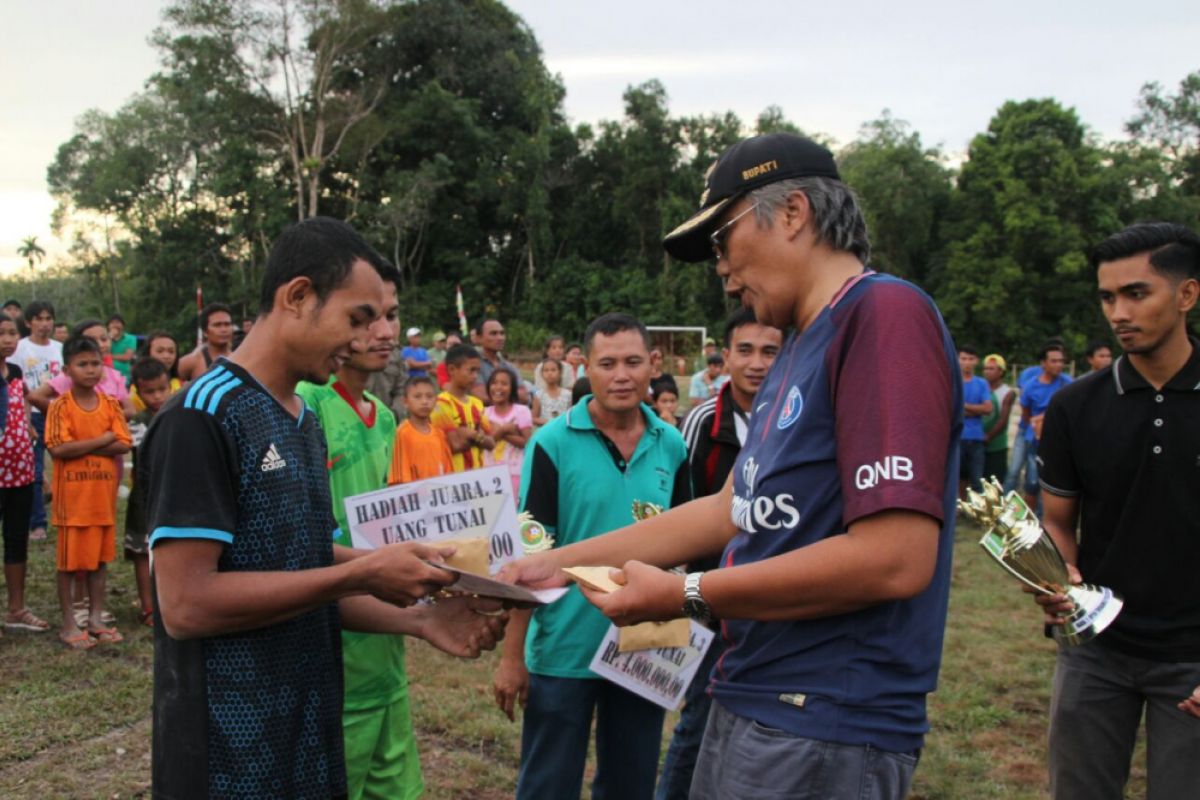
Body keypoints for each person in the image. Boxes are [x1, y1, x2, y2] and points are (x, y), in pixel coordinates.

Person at [502, 133, 962, 800]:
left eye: (723, 238)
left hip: (824, 712)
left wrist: (685, 593)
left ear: (795, 213)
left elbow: (896, 557)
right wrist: (558, 564)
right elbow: (727, 509)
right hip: (754, 692)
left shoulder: (883, 314)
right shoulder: (800, 345)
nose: (718, 266)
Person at [142, 217, 504, 799]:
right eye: (355, 318)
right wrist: (363, 570)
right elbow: (185, 604)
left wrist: (417, 617)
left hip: (310, 731)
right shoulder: (200, 416)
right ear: (298, 296)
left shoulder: (303, 421)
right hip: (226, 753)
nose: (364, 340)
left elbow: (304, 566)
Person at [298, 282, 493, 800]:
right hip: (333, 635)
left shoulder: (384, 417)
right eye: (364, 318)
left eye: (390, 316)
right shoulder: (305, 405)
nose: (383, 332)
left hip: (387, 640)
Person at [1032, 222, 1200, 799]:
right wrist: (1063, 576)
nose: (1118, 313)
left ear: (1186, 295)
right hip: (1096, 653)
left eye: (1136, 293)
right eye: (1108, 297)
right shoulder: (1075, 406)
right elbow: (1057, 519)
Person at [492, 312, 692, 800]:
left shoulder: (672, 444)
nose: (620, 375)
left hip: (644, 646)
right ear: (587, 366)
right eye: (607, 363)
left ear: (653, 365)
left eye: (632, 362)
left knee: (631, 782)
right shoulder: (551, 443)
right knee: (547, 785)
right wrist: (513, 656)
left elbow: (689, 545)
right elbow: (531, 556)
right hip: (564, 650)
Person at [657, 306, 782, 800]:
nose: (757, 363)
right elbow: (685, 512)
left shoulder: (799, 418)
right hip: (709, 601)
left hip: (777, 597)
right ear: (724, 356)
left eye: (770, 351)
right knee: (700, 718)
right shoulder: (703, 421)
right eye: (745, 351)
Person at [46, 336, 132, 650]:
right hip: (72, 503)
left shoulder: (110, 404)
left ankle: (96, 618)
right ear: (67, 369)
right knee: (69, 565)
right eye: (83, 364)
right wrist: (102, 440)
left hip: (102, 501)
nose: (90, 370)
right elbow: (58, 448)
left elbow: (123, 442)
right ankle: (69, 622)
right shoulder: (60, 406)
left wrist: (87, 444)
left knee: (99, 562)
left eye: (95, 363)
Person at [0, 312, 46, 634]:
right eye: (1, 333)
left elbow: (24, 413)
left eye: (12, 333)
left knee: (17, 538)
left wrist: (28, 429)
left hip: (19, 471)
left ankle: (16, 609)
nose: (8, 339)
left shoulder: (16, 372)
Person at [7, 300, 62, 541]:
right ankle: (37, 523)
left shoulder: (60, 348)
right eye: (39, 319)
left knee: (65, 466)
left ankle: (66, 518)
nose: (44, 323)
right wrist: (25, 421)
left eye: (48, 318)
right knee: (36, 471)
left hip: (60, 414)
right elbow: (19, 388)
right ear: (28, 322)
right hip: (33, 416)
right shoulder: (19, 348)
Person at [124, 357, 172, 627]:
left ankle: (171, 601)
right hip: (145, 495)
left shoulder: (182, 414)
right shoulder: (138, 423)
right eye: (150, 391)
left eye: (162, 389)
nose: (157, 396)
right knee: (143, 552)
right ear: (138, 392)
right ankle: (148, 606)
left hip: (176, 495)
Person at [30, 319, 136, 420]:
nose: (101, 344)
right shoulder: (71, 376)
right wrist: (62, 415)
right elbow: (35, 396)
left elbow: (130, 410)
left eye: (104, 339)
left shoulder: (114, 376)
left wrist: (104, 420)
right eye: (92, 340)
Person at [1008, 343, 1072, 507]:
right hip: (1036, 440)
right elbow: (1026, 413)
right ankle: (1029, 521)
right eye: (1054, 361)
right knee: (1033, 481)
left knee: (1055, 483)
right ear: (1043, 363)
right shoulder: (1030, 386)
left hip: (1060, 441)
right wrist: (1038, 423)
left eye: (1061, 361)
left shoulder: (1068, 383)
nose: (1059, 365)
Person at [432, 344, 494, 472]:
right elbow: (454, 445)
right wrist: (479, 437)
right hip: (452, 477)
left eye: (477, 371)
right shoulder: (441, 403)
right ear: (452, 369)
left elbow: (491, 443)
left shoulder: (477, 403)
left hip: (478, 475)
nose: (475, 376)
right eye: (471, 370)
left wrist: (472, 435)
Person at [389, 376, 453, 483]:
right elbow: (400, 478)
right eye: (417, 397)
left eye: (429, 397)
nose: (424, 402)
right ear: (405, 402)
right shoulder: (402, 434)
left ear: (436, 400)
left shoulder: (439, 433)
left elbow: (448, 471)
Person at [482, 368, 532, 497]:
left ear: (512, 388)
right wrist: (504, 429)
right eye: (494, 382)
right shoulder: (484, 413)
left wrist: (499, 431)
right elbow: (485, 443)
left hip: (515, 473)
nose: (498, 387)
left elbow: (527, 443)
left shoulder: (522, 411)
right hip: (489, 472)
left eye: (504, 384)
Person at [958, 345, 993, 496]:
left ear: (976, 361)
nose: (967, 362)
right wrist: (975, 409)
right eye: (964, 358)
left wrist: (964, 406)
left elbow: (987, 408)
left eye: (970, 359)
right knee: (958, 476)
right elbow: (949, 409)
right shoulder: (953, 381)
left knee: (977, 478)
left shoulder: (981, 383)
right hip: (957, 436)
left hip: (976, 437)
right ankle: (959, 507)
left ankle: (978, 510)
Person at [177, 302, 235, 383]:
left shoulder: (241, 358)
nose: (223, 330)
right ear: (205, 331)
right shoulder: (193, 361)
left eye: (227, 324)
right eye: (217, 325)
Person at [981, 354, 1016, 484]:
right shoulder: (979, 386)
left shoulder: (1007, 392)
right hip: (977, 443)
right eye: (986, 368)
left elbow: (1003, 420)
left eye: (992, 369)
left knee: (994, 483)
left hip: (996, 444)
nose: (987, 371)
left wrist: (988, 437)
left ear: (1001, 371)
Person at [131, 331, 181, 412]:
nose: (166, 356)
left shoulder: (183, 386)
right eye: (160, 351)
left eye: (171, 351)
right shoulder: (134, 393)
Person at [473, 319, 519, 400]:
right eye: (493, 333)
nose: (500, 338)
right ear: (479, 338)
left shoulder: (509, 366)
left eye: (502, 333)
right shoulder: (473, 365)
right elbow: (482, 396)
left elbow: (524, 396)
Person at [531, 358, 571, 426]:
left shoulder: (568, 395)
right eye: (546, 370)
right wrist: (548, 422)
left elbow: (571, 416)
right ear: (542, 374)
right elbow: (533, 418)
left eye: (553, 370)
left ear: (560, 372)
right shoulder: (539, 395)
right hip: (546, 432)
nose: (550, 373)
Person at [107, 314, 138, 384]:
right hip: (107, 376)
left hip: (124, 376)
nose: (114, 325)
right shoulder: (105, 339)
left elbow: (127, 357)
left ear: (122, 325)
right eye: (112, 323)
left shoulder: (131, 338)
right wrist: (109, 338)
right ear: (108, 326)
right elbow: (101, 354)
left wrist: (108, 356)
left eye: (117, 322)